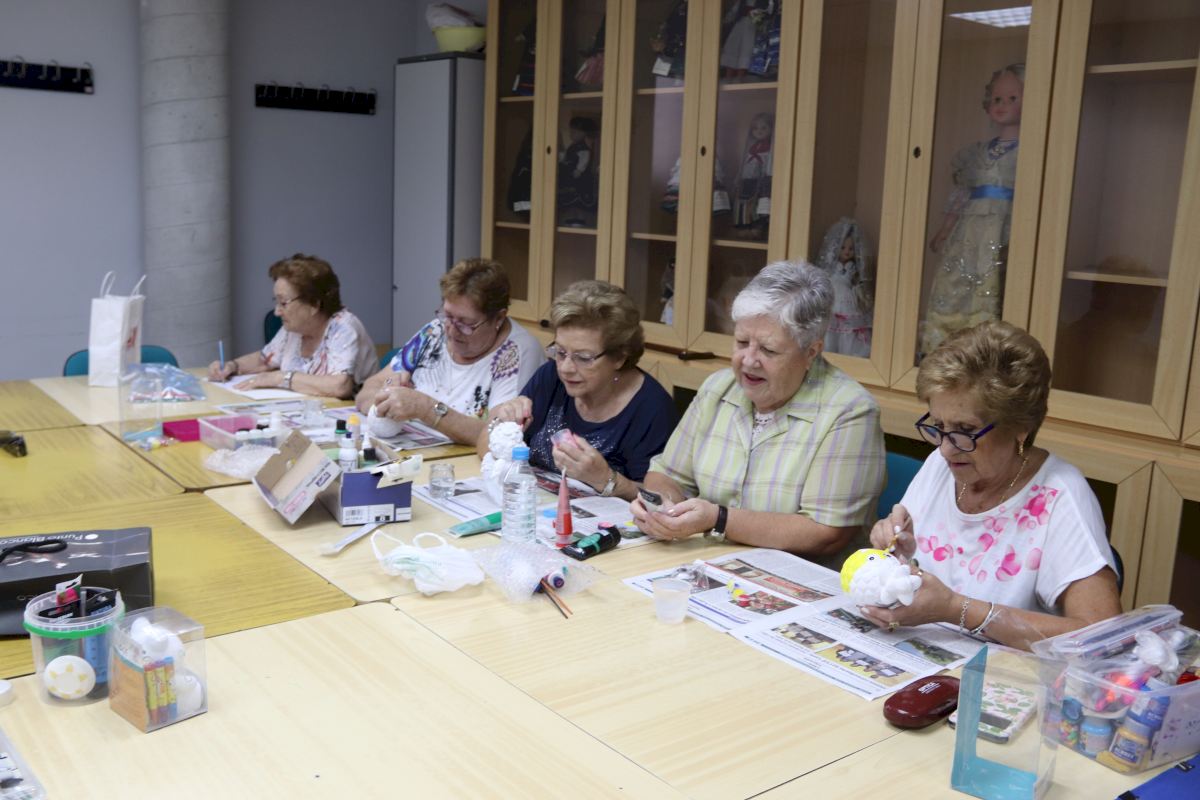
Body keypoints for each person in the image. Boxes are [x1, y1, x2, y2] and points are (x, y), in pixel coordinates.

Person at [864, 321, 1122, 651]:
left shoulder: (1060, 496)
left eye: (965, 429)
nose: (945, 449)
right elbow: (911, 565)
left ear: (1020, 427)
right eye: (939, 425)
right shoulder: (942, 465)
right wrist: (893, 547)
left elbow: (1101, 640)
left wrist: (956, 609)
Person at [631, 261, 886, 565]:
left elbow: (826, 532)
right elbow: (667, 474)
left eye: (769, 350)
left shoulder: (850, 411)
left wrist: (718, 519)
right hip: (708, 564)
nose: (748, 360)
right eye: (741, 342)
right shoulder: (719, 388)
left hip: (797, 577)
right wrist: (663, 510)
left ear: (811, 352)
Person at [483, 280, 677, 501]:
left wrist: (606, 479)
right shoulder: (551, 377)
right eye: (560, 352)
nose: (566, 368)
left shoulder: (651, 408)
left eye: (583, 357)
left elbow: (661, 502)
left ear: (620, 357)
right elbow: (484, 448)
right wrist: (503, 425)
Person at [356, 258, 544, 446]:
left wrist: (425, 408)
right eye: (448, 316)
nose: (451, 330)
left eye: (466, 323)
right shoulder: (434, 332)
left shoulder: (517, 353)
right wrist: (387, 394)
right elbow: (366, 392)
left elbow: (494, 435)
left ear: (499, 318)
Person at [920, 63, 1024, 358]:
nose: (1002, 105)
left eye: (1012, 99)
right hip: (969, 230)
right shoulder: (977, 153)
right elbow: (962, 193)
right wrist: (945, 228)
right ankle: (947, 345)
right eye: (997, 99)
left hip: (1004, 226)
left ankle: (985, 351)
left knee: (994, 284)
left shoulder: (1027, 152)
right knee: (957, 281)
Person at [207, 253, 376, 399]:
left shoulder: (343, 327)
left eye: (283, 303)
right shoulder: (295, 329)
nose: (277, 312)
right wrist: (232, 366)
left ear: (314, 304)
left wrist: (280, 378)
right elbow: (263, 360)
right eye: (276, 302)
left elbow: (340, 386)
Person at [817, 217, 873, 357]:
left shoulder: (852, 267)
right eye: (843, 248)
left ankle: (847, 352)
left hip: (848, 299)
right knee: (831, 325)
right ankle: (830, 350)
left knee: (848, 326)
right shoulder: (832, 267)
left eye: (851, 249)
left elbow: (857, 282)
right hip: (834, 296)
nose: (847, 252)